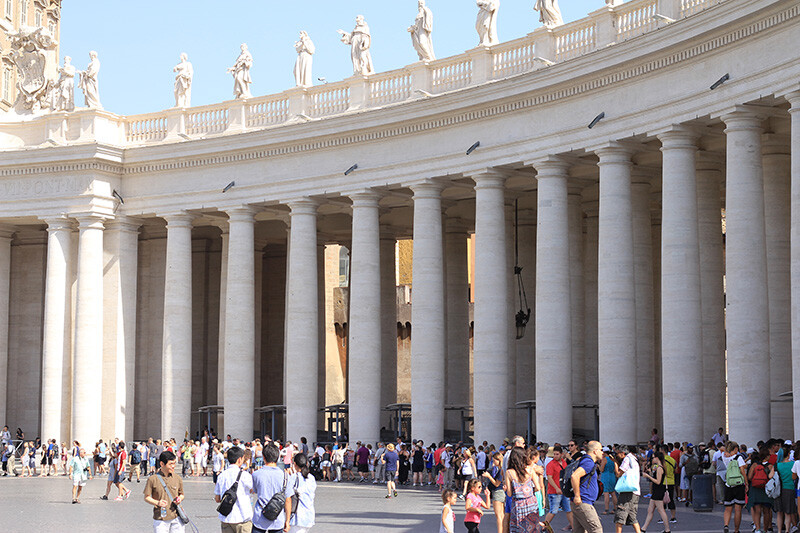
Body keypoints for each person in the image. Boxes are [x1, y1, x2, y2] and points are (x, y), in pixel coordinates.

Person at [252, 444, 293, 533]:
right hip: (277, 517)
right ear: (278, 457)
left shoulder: (256, 474)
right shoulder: (285, 476)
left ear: (263, 457)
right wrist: (287, 521)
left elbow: (254, 490)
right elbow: (288, 500)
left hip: (260, 516)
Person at [144, 450, 186, 533]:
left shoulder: (177, 478)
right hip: (161, 518)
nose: (173, 466)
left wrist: (179, 499)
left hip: (177, 517)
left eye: (174, 463)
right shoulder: (152, 479)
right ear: (162, 464)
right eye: (170, 464)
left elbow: (181, 494)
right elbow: (147, 497)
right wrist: (158, 502)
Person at [214, 445, 254, 533]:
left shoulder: (221, 476)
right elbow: (252, 490)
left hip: (226, 518)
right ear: (240, 459)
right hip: (243, 517)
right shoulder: (245, 475)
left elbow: (217, 498)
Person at [570, 440, 604, 533]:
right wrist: (577, 496)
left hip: (581, 502)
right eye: (601, 450)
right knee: (596, 530)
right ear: (595, 451)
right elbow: (575, 476)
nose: (602, 452)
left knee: (579, 530)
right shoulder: (588, 462)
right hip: (583, 502)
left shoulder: (585, 460)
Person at [504, 447, 540, 533]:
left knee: (519, 528)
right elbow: (538, 487)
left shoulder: (509, 472)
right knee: (532, 527)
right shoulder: (530, 470)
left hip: (518, 504)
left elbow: (509, 493)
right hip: (531, 502)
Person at [640, 452, 671, 533]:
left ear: (657, 458)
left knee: (661, 510)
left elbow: (658, 481)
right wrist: (650, 473)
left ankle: (667, 529)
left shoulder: (660, 468)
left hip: (658, 491)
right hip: (656, 491)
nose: (652, 459)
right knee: (650, 510)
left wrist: (648, 476)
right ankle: (643, 528)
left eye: (653, 457)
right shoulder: (659, 467)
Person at [613, 445, 642, 533]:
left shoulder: (627, 459)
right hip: (635, 491)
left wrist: (614, 463)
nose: (617, 455)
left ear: (622, 453)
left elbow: (618, 474)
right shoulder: (634, 459)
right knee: (632, 517)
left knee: (620, 516)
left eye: (617, 453)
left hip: (627, 491)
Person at [544, 445, 573, 532]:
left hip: (563, 490)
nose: (555, 456)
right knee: (553, 510)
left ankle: (574, 527)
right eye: (554, 454)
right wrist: (556, 488)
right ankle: (544, 526)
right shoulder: (550, 464)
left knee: (568, 509)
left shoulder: (564, 462)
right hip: (554, 491)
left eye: (557, 454)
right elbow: (549, 478)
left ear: (561, 454)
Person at [747, 448, 775, 533]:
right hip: (766, 490)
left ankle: (758, 529)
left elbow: (749, 477)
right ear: (767, 456)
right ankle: (765, 530)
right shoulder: (770, 466)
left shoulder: (755, 465)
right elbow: (772, 477)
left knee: (757, 511)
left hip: (755, 490)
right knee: (766, 511)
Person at [723, 441, 747, 533]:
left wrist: (726, 452)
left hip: (728, 484)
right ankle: (736, 530)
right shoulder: (739, 457)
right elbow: (742, 471)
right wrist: (746, 483)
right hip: (738, 485)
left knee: (728, 508)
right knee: (738, 509)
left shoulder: (724, 457)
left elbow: (721, 448)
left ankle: (726, 525)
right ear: (736, 449)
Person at [288, 453, 316, 533]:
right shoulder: (311, 478)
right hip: (308, 515)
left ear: (295, 464)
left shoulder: (294, 477)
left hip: (297, 516)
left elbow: (288, 496)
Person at [774, 444, 795, 533]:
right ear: (788, 455)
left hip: (778, 490)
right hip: (789, 488)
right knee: (788, 512)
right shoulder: (792, 464)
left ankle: (779, 531)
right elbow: (794, 476)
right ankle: (787, 530)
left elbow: (771, 475)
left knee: (779, 512)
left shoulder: (777, 465)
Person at [600, 446, 618, 514]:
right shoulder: (613, 459)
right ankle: (615, 508)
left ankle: (606, 509)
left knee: (606, 493)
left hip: (605, 476)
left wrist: (599, 466)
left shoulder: (605, 459)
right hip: (612, 476)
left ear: (604, 453)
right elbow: (616, 470)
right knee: (613, 493)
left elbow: (602, 469)